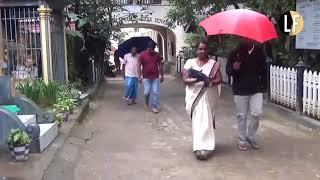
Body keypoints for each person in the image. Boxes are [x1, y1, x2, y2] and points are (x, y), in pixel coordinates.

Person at [182, 39, 222, 160]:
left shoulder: (213, 64)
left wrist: (209, 81)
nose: (202, 51)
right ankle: (198, 147)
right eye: (200, 49)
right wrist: (198, 79)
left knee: (206, 120)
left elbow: (219, 80)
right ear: (196, 50)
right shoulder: (189, 63)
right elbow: (185, 80)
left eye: (205, 49)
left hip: (208, 95)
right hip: (194, 97)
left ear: (207, 50)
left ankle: (207, 146)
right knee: (197, 121)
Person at [226, 38, 267, 151]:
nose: (248, 40)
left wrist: (264, 87)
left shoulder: (259, 51)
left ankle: (251, 135)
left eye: (250, 39)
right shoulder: (235, 52)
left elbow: (264, 71)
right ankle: (242, 139)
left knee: (257, 113)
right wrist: (234, 69)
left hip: (256, 89)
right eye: (245, 38)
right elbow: (228, 71)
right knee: (242, 116)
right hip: (240, 89)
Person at [138, 41, 164, 114]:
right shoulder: (142, 55)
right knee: (146, 92)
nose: (152, 51)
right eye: (151, 49)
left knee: (155, 92)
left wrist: (162, 75)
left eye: (153, 49)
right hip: (146, 77)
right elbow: (138, 66)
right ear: (148, 48)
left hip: (155, 77)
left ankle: (154, 107)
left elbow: (160, 65)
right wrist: (139, 76)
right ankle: (146, 103)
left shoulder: (157, 55)